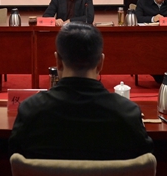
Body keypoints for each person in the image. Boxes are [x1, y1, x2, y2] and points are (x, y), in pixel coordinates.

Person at [9, 22, 153, 160]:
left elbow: (13, 155)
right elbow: (145, 159)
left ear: (58, 62)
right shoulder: (127, 114)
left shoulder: (31, 110)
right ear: (100, 63)